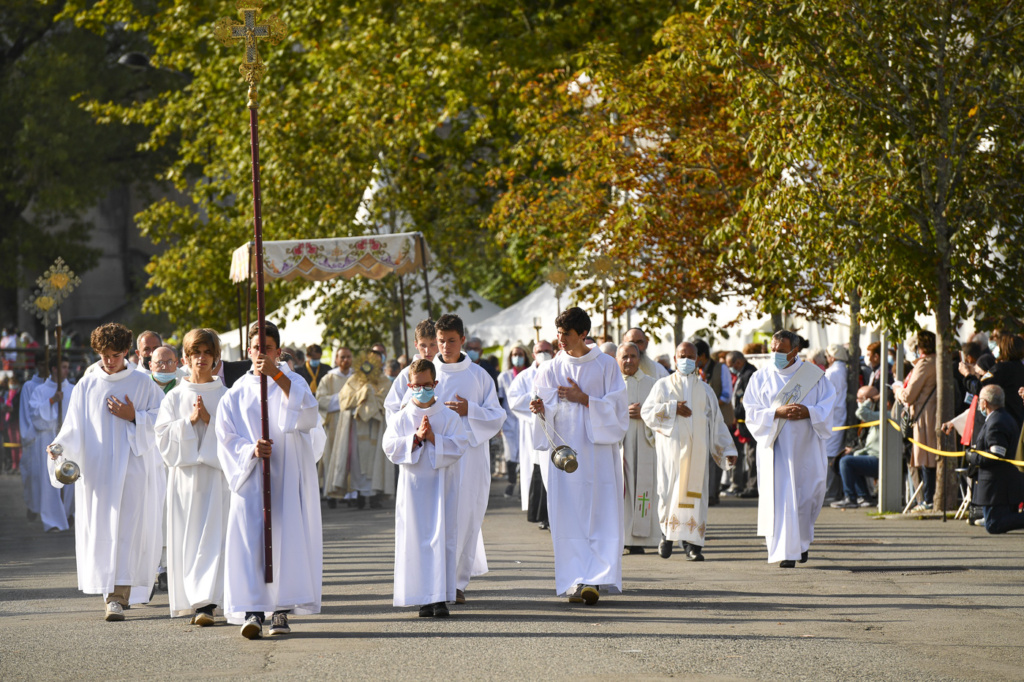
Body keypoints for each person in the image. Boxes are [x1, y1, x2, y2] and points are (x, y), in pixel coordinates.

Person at [46, 323, 166, 620]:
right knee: (102, 530)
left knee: (127, 530)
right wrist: (59, 447)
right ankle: (108, 589)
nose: (109, 361)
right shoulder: (87, 384)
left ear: (126, 352)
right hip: (99, 472)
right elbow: (73, 427)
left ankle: (118, 596)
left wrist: (134, 416)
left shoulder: (143, 383)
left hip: (133, 469)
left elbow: (163, 422)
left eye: (114, 354)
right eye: (103, 354)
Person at [215, 321, 326, 639]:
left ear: (278, 351)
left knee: (283, 540)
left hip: (286, 475)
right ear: (247, 351)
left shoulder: (293, 380)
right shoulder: (235, 394)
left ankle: (280, 609)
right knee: (252, 541)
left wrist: (276, 375)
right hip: (251, 477)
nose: (260, 353)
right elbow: (225, 438)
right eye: (255, 348)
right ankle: (253, 609)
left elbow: (307, 415)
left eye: (267, 348)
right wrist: (251, 449)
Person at [529, 307, 628, 605]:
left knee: (599, 514)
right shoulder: (549, 369)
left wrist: (584, 399)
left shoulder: (607, 366)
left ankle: (594, 579)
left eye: (566, 334)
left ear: (583, 334)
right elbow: (545, 413)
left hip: (597, 455)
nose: (560, 339)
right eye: (558, 333)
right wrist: (540, 410)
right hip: (567, 457)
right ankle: (575, 579)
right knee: (568, 515)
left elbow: (619, 411)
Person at [155, 328, 230, 625]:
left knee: (215, 537)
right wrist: (189, 422)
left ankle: (208, 603)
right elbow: (162, 439)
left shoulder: (226, 396)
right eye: (195, 353)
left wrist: (211, 423)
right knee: (189, 539)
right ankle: (195, 599)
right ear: (186, 358)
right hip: (185, 480)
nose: (201, 358)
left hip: (216, 478)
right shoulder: (174, 397)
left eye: (207, 353)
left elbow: (235, 438)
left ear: (216, 358)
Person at [742, 330, 836, 568]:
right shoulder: (760, 377)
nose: (775, 354)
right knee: (780, 500)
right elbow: (751, 411)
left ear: (795, 352)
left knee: (808, 497)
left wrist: (809, 412)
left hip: (807, 449)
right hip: (776, 450)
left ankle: (802, 543)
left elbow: (827, 406)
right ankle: (786, 551)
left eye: (781, 351)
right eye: (773, 349)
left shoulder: (814, 377)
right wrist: (776, 413)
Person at [383, 359, 469, 618]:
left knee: (443, 538)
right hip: (413, 489)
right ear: (409, 385)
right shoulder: (401, 418)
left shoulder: (449, 417)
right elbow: (389, 448)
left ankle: (440, 597)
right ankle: (422, 598)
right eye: (417, 386)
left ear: (436, 384)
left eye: (427, 385)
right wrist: (416, 439)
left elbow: (460, 445)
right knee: (416, 539)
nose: (422, 389)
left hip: (443, 488)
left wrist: (434, 438)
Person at [433, 314, 505, 604]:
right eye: (441, 341)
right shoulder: (427, 373)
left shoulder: (478, 375)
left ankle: (458, 582)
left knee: (467, 515)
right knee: (439, 517)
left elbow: (497, 416)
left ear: (462, 340)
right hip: (437, 453)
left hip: (471, 456)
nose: (446, 347)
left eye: (452, 340)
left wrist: (469, 410)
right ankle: (436, 580)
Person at [642, 342, 736, 561]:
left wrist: (727, 449)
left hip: (696, 454)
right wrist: (672, 408)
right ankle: (666, 535)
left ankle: (692, 545)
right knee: (668, 494)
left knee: (695, 498)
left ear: (698, 360)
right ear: (675, 359)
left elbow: (717, 422)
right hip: (671, 454)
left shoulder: (706, 390)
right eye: (682, 356)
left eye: (691, 356)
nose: (686, 360)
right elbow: (647, 413)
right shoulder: (662, 386)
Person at [327, 350, 393, 508]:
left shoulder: (384, 380)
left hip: (377, 427)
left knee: (376, 461)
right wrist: (362, 394)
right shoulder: (353, 380)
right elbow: (344, 401)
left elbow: (390, 400)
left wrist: (373, 398)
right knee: (357, 463)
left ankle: (376, 495)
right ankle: (361, 496)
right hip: (357, 426)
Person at [616, 342, 659, 554]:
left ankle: (640, 538)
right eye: (624, 357)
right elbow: (601, 411)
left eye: (633, 356)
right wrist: (624, 412)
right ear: (617, 359)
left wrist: (647, 414)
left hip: (645, 443)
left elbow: (663, 413)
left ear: (639, 359)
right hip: (618, 445)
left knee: (642, 491)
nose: (629, 361)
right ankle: (622, 538)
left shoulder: (652, 384)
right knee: (621, 491)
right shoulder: (611, 385)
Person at [507, 340, 554, 526]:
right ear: (533, 355)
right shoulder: (525, 376)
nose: (544, 354)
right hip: (532, 428)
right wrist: (535, 397)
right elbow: (513, 400)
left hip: (555, 427)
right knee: (538, 471)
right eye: (540, 351)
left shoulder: (557, 370)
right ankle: (541, 515)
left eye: (547, 350)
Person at [966, 385, 1024, 533]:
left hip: (997, 486)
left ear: (984, 403)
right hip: (1002, 485)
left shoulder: (996, 422)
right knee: (993, 523)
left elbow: (996, 454)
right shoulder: (1003, 417)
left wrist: (972, 456)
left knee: (993, 524)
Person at [894, 331, 938, 511]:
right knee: (928, 458)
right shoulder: (938, 361)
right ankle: (927, 499)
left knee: (926, 459)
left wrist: (897, 389)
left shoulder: (925, 365)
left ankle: (927, 500)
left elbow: (908, 395)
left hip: (925, 415)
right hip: (932, 413)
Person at [28, 356, 73, 532]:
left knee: (70, 476)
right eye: (63, 367)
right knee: (50, 480)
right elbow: (35, 415)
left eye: (68, 367)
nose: (66, 371)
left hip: (69, 439)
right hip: (48, 438)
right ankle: (52, 520)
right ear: (54, 369)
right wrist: (52, 401)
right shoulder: (40, 391)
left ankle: (69, 513)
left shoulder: (74, 390)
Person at [693, 339, 734, 504]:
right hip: (699, 420)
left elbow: (727, 394)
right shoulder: (694, 371)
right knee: (703, 457)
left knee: (716, 455)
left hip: (719, 419)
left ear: (702, 355)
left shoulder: (720, 368)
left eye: (695, 356)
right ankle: (705, 493)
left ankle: (712, 493)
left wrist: (708, 403)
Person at [831, 386, 884, 509]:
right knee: (847, 459)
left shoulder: (882, 414)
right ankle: (864, 496)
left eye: (860, 399)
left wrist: (870, 401)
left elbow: (860, 413)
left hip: (880, 459)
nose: (857, 401)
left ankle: (850, 498)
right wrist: (854, 451)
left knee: (847, 462)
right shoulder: (874, 414)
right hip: (872, 455)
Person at [315, 346, 353, 506]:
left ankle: (352, 494)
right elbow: (320, 400)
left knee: (351, 456)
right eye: (342, 357)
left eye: (348, 357)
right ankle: (332, 494)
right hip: (334, 424)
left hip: (352, 423)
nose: (345, 360)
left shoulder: (357, 378)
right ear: (336, 360)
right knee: (332, 456)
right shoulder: (328, 379)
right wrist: (344, 399)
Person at [385, 320, 437, 425]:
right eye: (423, 345)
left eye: (432, 344)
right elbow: (392, 408)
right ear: (416, 344)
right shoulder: (406, 374)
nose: (427, 351)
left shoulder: (445, 371)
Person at [498, 345, 531, 498]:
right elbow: (500, 400)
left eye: (520, 354)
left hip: (527, 419)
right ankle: (512, 483)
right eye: (514, 354)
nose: (517, 357)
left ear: (525, 356)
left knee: (527, 453)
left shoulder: (531, 374)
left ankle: (525, 486)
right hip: (509, 421)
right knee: (511, 454)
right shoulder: (503, 377)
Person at [724, 350, 758, 498]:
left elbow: (746, 400)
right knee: (744, 455)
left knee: (752, 456)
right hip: (741, 421)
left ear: (738, 362)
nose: (731, 368)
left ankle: (753, 487)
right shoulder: (742, 374)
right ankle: (745, 485)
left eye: (731, 365)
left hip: (748, 421)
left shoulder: (749, 374)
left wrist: (736, 413)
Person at [19, 357, 47, 522]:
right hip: (34, 438)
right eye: (42, 363)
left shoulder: (55, 386)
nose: (45, 367)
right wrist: (29, 435)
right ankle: (33, 506)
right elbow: (25, 413)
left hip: (51, 438)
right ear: (37, 365)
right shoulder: (29, 386)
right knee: (33, 475)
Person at [823, 344, 850, 501]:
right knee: (833, 453)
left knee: (830, 455)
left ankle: (831, 491)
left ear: (832, 357)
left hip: (833, 417)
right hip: (838, 416)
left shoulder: (833, 372)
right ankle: (834, 491)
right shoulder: (842, 370)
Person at [979, 334, 1024, 427]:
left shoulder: (1000, 368)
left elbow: (981, 385)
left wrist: (968, 376)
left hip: (1006, 421)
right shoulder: (1021, 367)